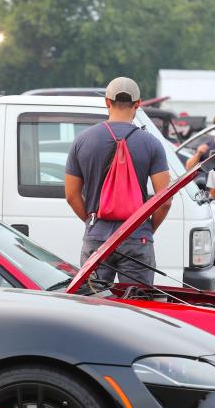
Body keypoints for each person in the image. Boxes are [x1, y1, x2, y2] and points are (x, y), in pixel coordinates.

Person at [64, 77, 170, 285]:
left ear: (107, 102)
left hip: (97, 237)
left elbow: (71, 195)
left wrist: (91, 222)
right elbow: (164, 200)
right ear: (138, 104)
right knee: (137, 306)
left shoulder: (82, 140)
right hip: (137, 236)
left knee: (93, 305)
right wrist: (144, 228)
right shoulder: (152, 144)